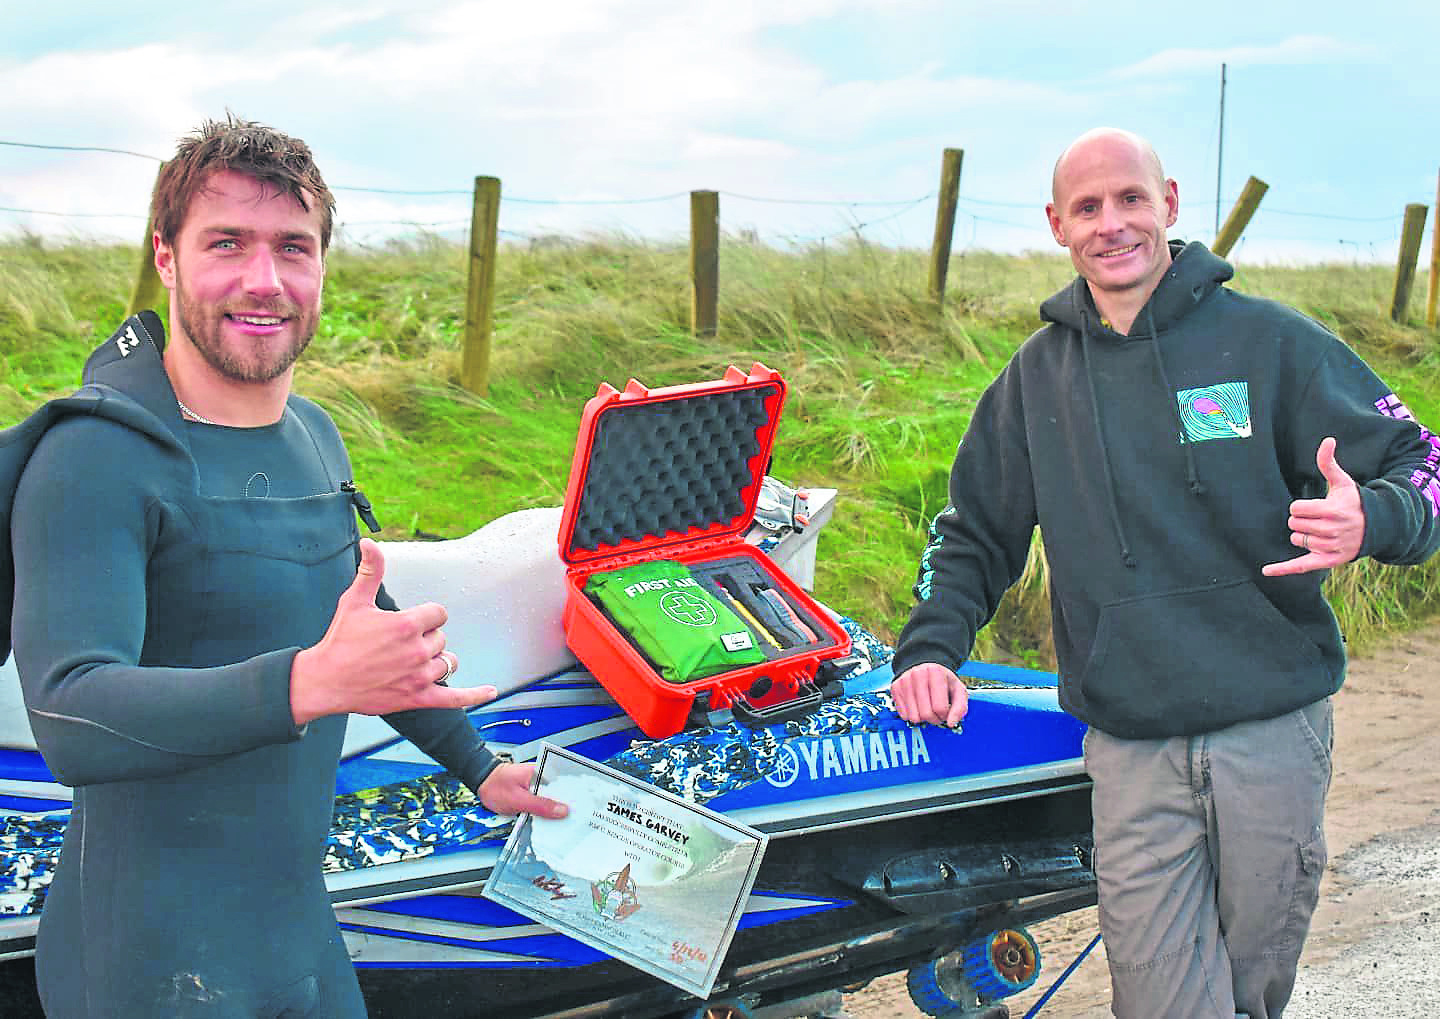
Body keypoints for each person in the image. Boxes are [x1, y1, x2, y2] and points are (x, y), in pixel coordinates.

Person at [2, 116, 567, 1017]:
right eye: (226, 242)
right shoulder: (97, 456)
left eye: (292, 248)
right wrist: (307, 682)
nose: (263, 280)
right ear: (166, 256)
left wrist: (478, 763)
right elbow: (70, 709)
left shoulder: (312, 433)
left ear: (321, 267)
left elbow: (350, 615)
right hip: (146, 959)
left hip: (293, 928)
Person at [889, 126, 1440, 1019]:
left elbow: (1423, 460)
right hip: (1130, 747)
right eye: (1089, 207)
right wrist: (930, 649)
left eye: (1131, 199)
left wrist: (1371, 516)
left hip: (1271, 729)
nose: (1113, 224)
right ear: (1058, 225)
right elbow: (972, 536)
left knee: (1251, 992)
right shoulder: (1034, 381)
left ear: (1170, 204)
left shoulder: (1270, 343)